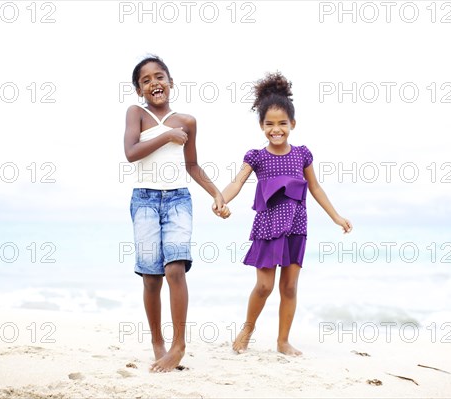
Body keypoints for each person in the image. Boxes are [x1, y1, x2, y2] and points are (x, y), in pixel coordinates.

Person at [217, 72, 352, 356]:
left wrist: (336, 217)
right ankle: (248, 328)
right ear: (261, 125)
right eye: (269, 124)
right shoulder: (256, 156)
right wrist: (221, 198)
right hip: (267, 227)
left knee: (289, 287)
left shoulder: (302, 154)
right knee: (264, 287)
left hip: (296, 227)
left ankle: (282, 341)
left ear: (292, 123)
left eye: (282, 123)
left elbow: (315, 188)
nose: (275, 129)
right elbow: (237, 182)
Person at [124, 55, 227, 372]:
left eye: (159, 76)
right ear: (140, 90)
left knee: (175, 270)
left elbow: (192, 166)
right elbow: (130, 153)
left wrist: (217, 193)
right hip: (144, 200)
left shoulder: (188, 121)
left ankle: (179, 345)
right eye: (146, 80)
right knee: (152, 278)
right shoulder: (136, 114)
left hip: (178, 200)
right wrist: (167, 135)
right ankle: (158, 343)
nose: (154, 82)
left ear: (170, 82)